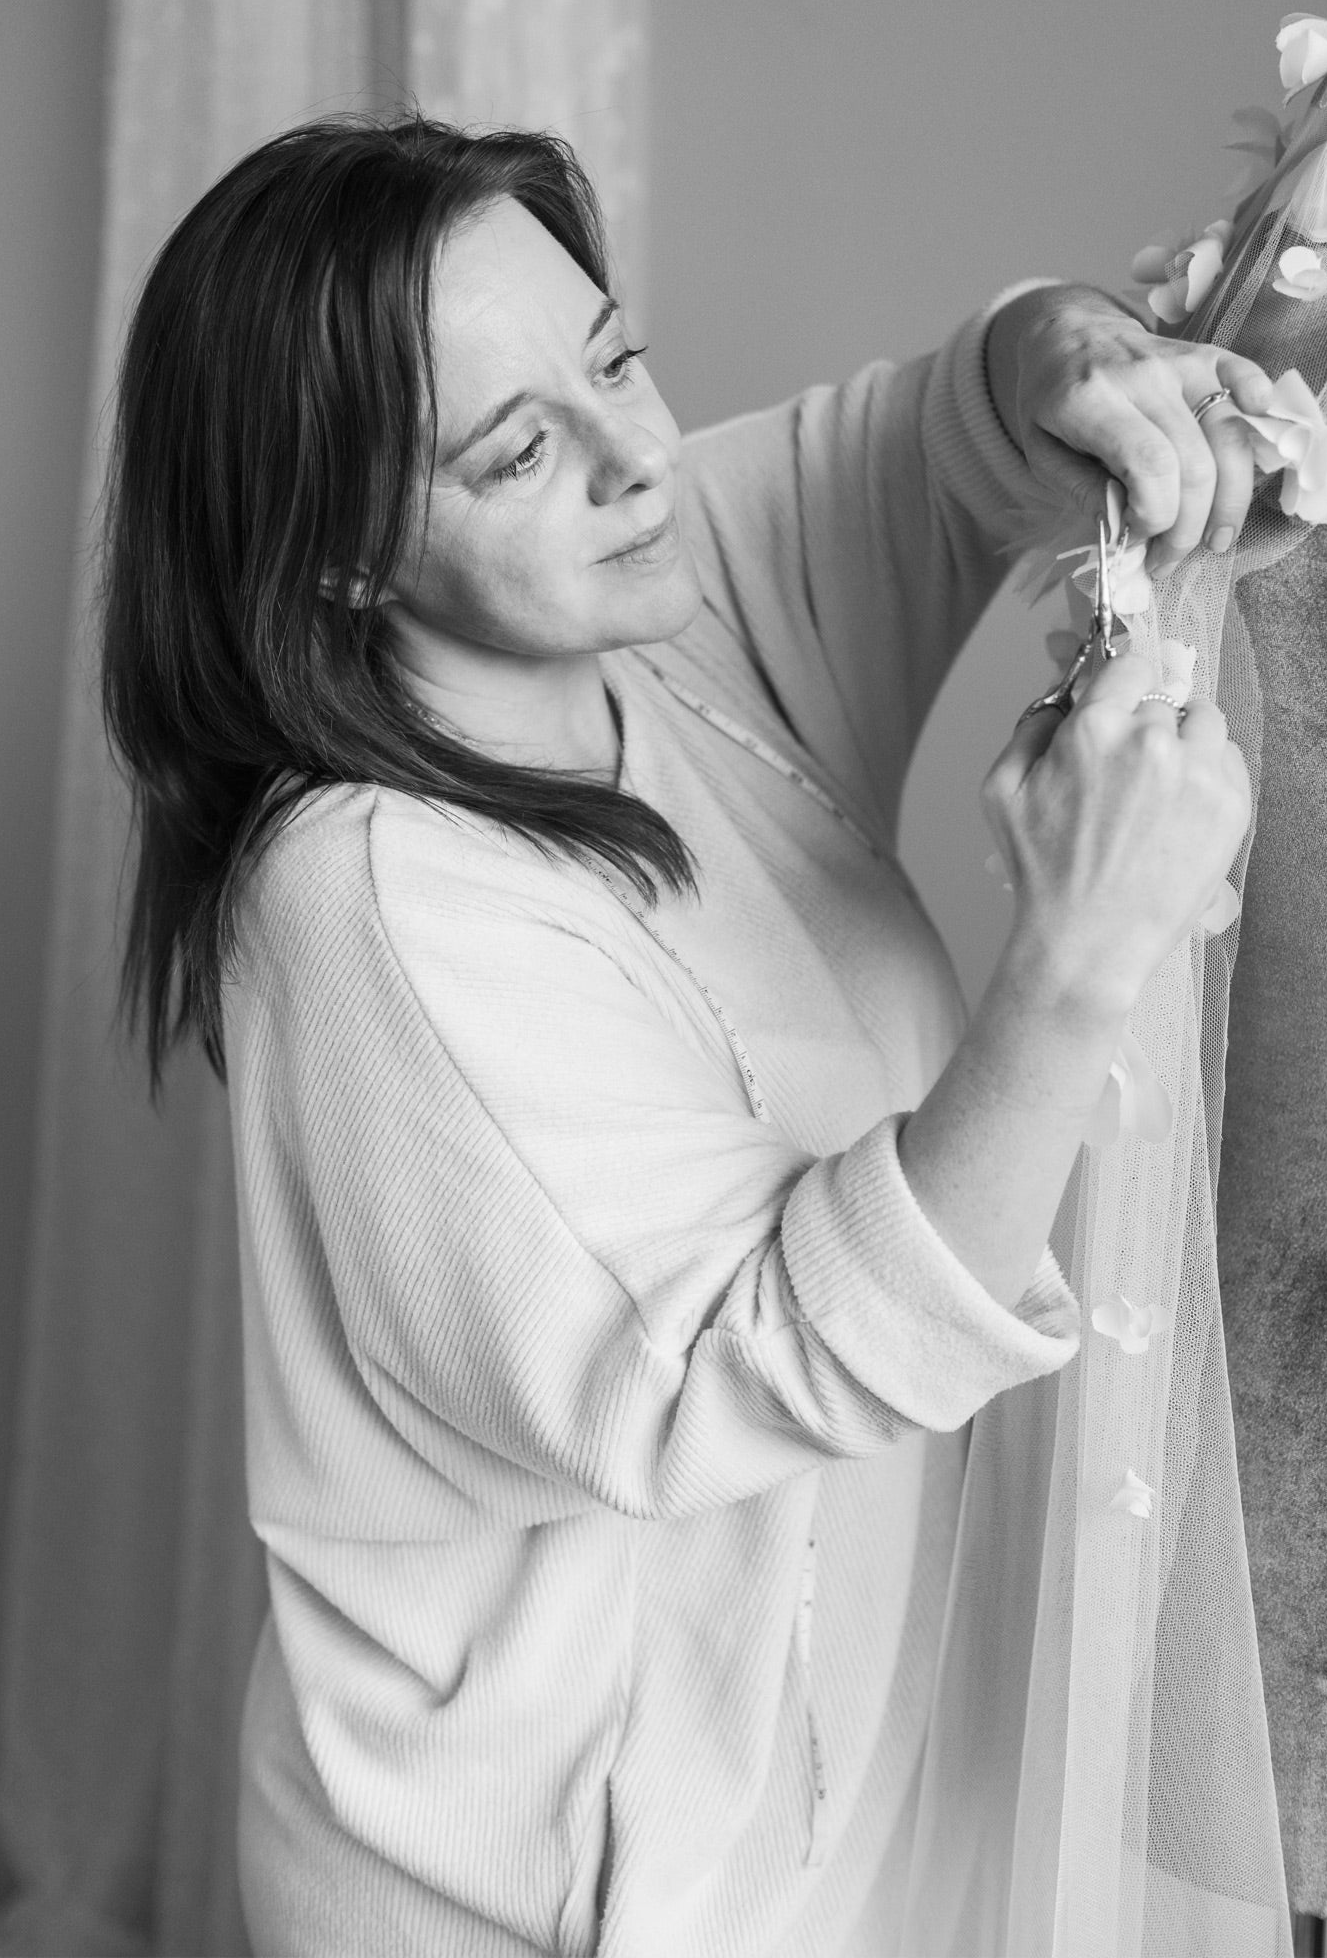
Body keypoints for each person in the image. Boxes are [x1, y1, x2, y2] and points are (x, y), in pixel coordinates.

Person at [100, 118, 1267, 1957]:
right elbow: (739, 1360)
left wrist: (1077, 355)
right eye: (517, 449)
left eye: (615, 356)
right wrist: (1073, 964)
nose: (636, 454)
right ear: (336, 559)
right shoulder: (372, 905)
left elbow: (941, 432)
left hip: (827, 1810)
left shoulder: (652, 612)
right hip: (559, 1896)